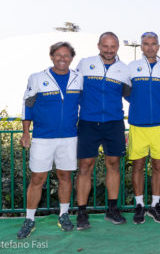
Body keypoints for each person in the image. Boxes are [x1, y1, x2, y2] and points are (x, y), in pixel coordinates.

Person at [18, 42, 83, 239]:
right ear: (52, 56)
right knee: (37, 179)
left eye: (66, 55)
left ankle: (64, 215)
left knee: (65, 177)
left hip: (69, 138)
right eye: (58, 55)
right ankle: (29, 219)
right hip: (43, 138)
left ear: (72, 58)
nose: (62, 58)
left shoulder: (78, 79)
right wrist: (25, 132)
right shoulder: (37, 78)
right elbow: (28, 105)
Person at [75, 32, 130, 230]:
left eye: (113, 46)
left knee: (113, 164)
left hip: (114, 122)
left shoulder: (124, 69)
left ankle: (112, 209)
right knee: (85, 166)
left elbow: (132, 96)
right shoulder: (84, 64)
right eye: (105, 46)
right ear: (99, 45)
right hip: (88, 122)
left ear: (117, 47)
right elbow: (74, 91)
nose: (109, 50)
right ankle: (82, 212)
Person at [127, 32, 160, 225]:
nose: (150, 47)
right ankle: (139, 205)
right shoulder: (131, 68)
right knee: (137, 165)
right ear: (141, 46)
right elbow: (126, 92)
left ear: (158, 47)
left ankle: (155, 204)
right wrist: (139, 104)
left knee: (158, 166)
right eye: (146, 44)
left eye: (153, 44)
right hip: (138, 124)